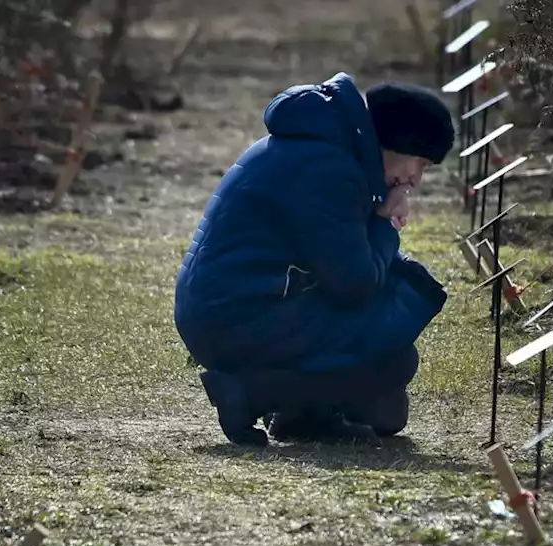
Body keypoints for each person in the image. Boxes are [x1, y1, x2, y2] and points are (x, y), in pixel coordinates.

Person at [173, 72, 455, 447]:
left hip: (233, 305)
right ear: (395, 143)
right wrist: (385, 223)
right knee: (396, 361)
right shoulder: (330, 171)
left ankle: (301, 413)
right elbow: (355, 285)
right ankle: (246, 393)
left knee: (387, 400)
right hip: (236, 316)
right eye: (419, 162)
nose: (416, 179)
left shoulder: (322, 150)